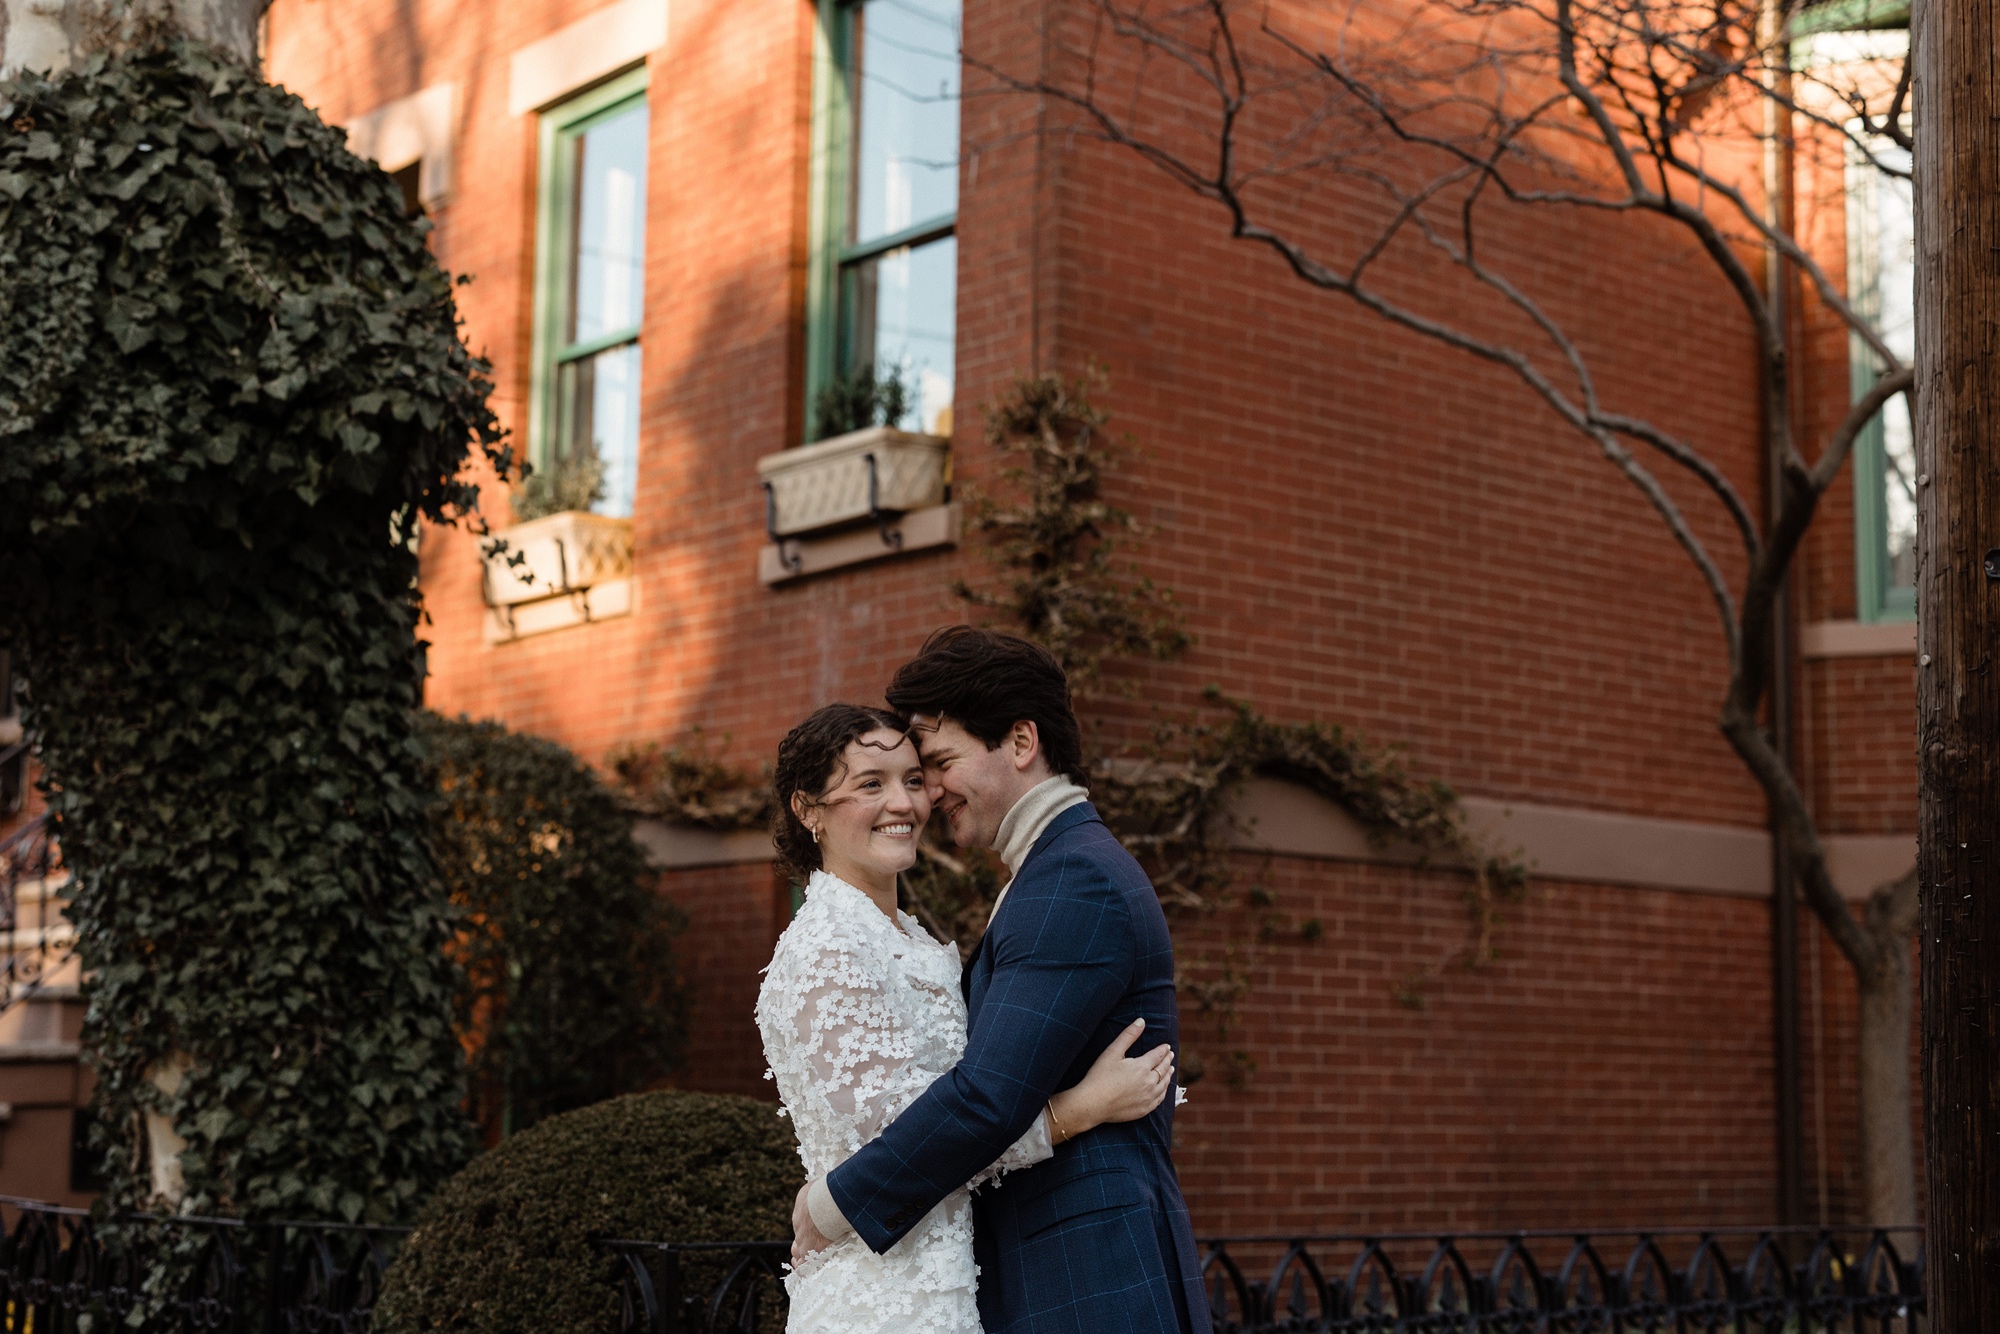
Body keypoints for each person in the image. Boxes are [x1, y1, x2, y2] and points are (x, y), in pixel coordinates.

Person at [792, 628, 1210, 1334]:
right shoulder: (1049, 871)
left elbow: (988, 1096)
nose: (931, 792)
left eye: (941, 763)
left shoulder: (1072, 879)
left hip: (1087, 1276)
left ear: (1020, 743)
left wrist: (829, 1207)